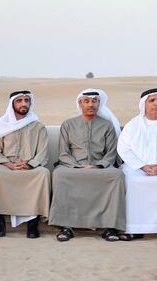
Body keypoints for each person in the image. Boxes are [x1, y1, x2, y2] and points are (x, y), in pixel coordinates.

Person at [48, 89, 125, 241]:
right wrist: (78, 166)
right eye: (87, 101)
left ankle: (110, 227)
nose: (91, 105)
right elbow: (63, 152)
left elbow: (111, 152)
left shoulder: (107, 126)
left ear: (99, 104)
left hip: (100, 166)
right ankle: (66, 226)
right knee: (59, 175)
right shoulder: (68, 125)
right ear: (80, 104)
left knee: (117, 176)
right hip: (73, 166)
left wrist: (99, 165)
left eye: (94, 101)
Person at [0, 90, 50, 238]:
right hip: (6, 166)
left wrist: (30, 164)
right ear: (12, 104)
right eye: (19, 101)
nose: (23, 104)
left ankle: (33, 224)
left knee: (43, 174)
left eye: (26, 101)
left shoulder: (38, 126)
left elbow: (42, 153)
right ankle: (0, 222)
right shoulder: (0, 126)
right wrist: (9, 164)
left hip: (30, 167)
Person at [117, 88, 157, 238]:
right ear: (144, 104)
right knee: (131, 181)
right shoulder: (133, 125)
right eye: (152, 100)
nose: (156, 103)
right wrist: (143, 166)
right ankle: (135, 229)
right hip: (136, 168)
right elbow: (124, 149)